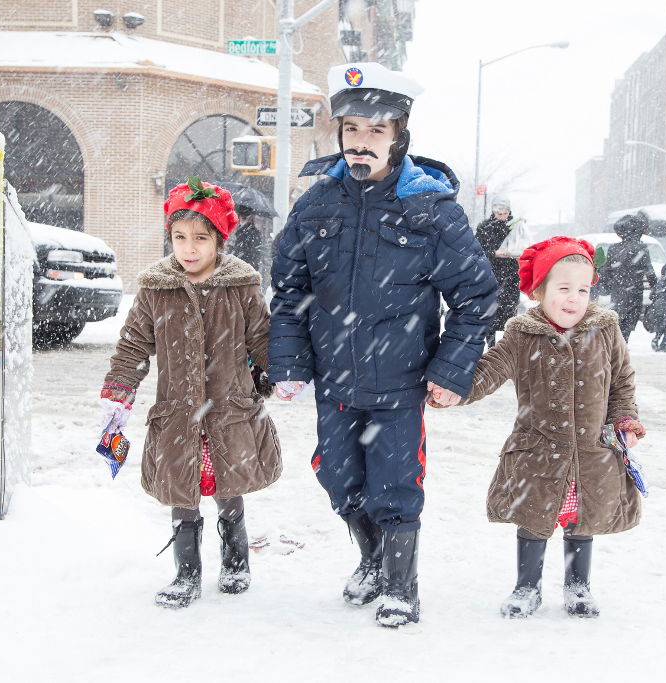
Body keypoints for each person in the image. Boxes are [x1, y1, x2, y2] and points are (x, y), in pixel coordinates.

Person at [268, 62, 498, 627]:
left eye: (375, 130)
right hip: (335, 381)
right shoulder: (317, 203)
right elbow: (289, 287)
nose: (361, 143)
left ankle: (401, 585)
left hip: (401, 381)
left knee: (394, 486)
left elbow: (476, 298)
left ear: (399, 135)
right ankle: (370, 558)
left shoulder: (431, 208)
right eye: (352, 130)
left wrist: (451, 371)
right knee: (338, 478)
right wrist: (289, 362)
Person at [100, 177, 281, 609]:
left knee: (227, 484)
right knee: (182, 492)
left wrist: (277, 374)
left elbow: (262, 339)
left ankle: (236, 561)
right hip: (179, 413)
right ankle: (186, 573)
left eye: (201, 238)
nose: (189, 248)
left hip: (229, 409)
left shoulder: (241, 285)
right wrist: (119, 390)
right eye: (180, 237)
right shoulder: (155, 289)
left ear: (219, 240)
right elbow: (133, 346)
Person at [452, 236, 646, 619]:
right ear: (539, 291)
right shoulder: (522, 335)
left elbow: (622, 382)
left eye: (583, 289)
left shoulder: (605, 330)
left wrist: (625, 419)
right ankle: (527, 587)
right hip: (539, 450)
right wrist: (453, 389)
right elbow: (488, 371)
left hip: (591, 451)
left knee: (580, 519)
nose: (574, 298)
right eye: (563, 288)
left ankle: (578, 585)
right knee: (535, 518)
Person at [599, 213, 657, 340]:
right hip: (635, 292)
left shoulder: (613, 248)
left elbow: (605, 271)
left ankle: (617, 346)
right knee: (628, 323)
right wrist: (655, 287)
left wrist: (606, 286)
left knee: (617, 320)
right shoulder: (641, 248)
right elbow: (649, 271)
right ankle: (622, 346)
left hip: (617, 292)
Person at [475, 197, 521, 347]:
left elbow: (524, 247)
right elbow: (478, 251)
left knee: (509, 315)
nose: (502, 215)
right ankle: (492, 348)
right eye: (499, 212)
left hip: (511, 277)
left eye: (505, 212)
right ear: (494, 211)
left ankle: (507, 349)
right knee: (492, 316)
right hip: (492, 277)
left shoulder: (516, 227)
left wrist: (514, 253)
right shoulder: (485, 227)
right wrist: (493, 253)